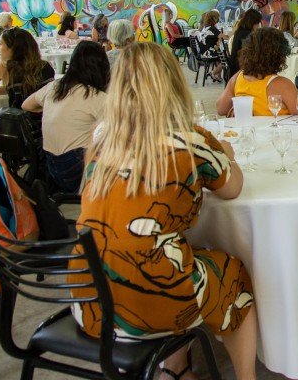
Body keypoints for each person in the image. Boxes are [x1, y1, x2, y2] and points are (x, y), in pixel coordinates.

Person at [69, 43, 257, 380]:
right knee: (230, 271)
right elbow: (234, 188)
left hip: (90, 298)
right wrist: (226, 154)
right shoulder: (190, 141)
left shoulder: (100, 143)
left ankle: (177, 369)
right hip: (151, 303)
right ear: (172, 83)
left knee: (173, 256)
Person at [21, 41, 109, 193]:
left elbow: (26, 105)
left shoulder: (55, 87)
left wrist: (53, 110)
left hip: (51, 167)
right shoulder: (98, 98)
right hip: (78, 173)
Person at [217, 27, 298, 117]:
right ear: (279, 55)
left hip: (246, 130)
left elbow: (221, 109)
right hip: (275, 130)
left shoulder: (238, 78)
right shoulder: (282, 85)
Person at [0, 27, 55, 108]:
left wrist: (12, 89)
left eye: (1, 43)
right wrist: (14, 88)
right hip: (45, 116)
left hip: (19, 117)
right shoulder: (45, 66)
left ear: (13, 48)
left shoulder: (4, 67)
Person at [227, 9, 263, 78]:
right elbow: (249, 52)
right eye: (257, 23)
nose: (258, 26)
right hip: (240, 68)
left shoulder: (240, 31)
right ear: (253, 23)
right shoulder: (247, 35)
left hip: (235, 65)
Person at [196, 11, 226, 82]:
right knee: (225, 57)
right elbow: (223, 37)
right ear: (214, 18)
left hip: (202, 52)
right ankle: (213, 73)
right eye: (217, 18)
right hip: (207, 54)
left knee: (220, 54)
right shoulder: (212, 29)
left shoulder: (206, 27)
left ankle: (218, 76)